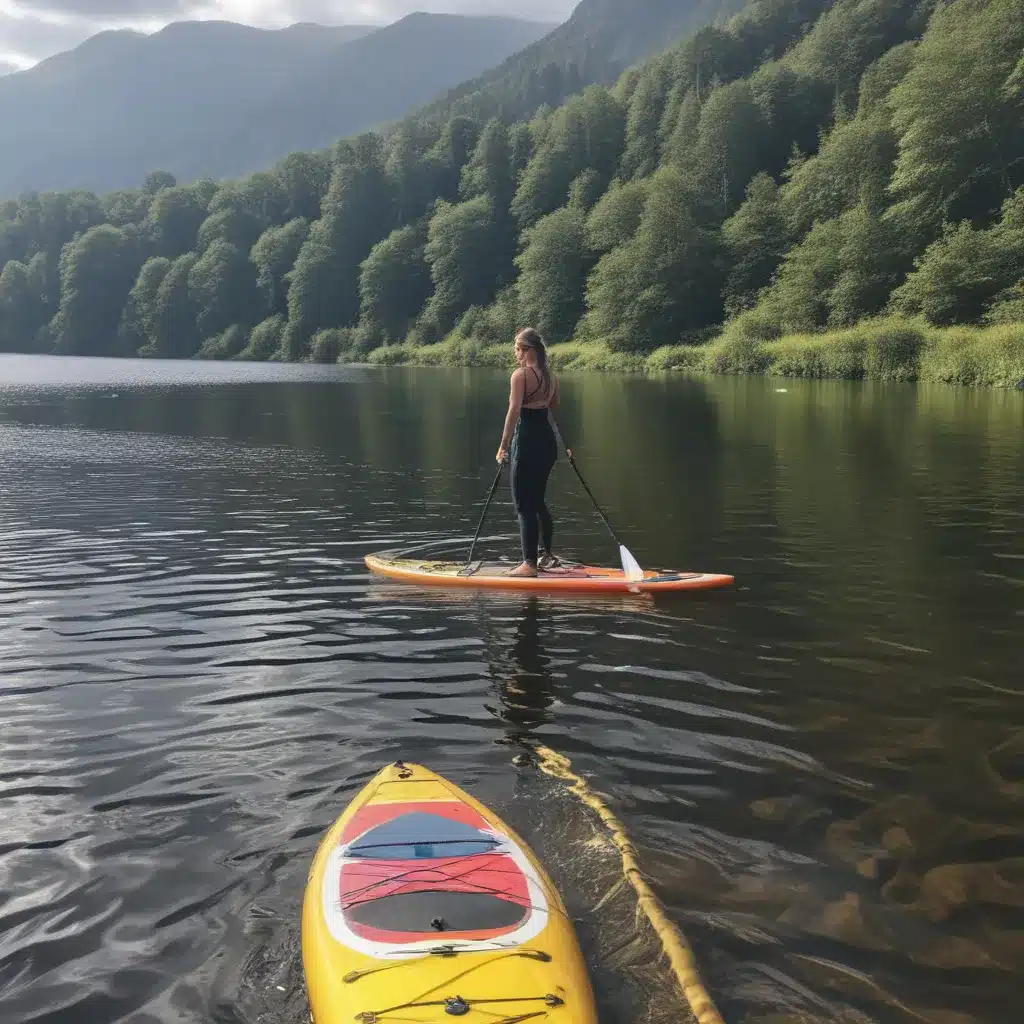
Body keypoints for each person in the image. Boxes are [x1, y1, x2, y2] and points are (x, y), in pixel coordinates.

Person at [496, 328, 563, 577]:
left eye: (517, 348)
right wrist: (566, 445)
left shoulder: (521, 375)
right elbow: (554, 414)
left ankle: (529, 564)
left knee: (524, 506)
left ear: (527, 349)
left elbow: (514, 412)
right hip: (547, 443)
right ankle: (547, 556)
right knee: (538, 502)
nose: (515, 353)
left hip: (526, 441)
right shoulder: (552, 377)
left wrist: (503, 445)